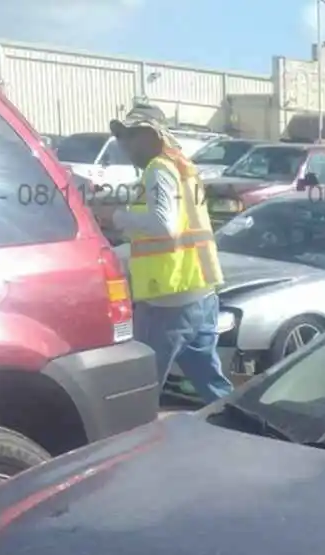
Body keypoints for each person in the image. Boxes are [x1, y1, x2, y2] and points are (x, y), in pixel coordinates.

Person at [105, 108, 232, 401]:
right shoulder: (182, 166)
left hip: (168, 300)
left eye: (131, 136)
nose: (125, 144)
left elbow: (165, 225)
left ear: (152, 136)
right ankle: (248, 434)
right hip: (199, 293)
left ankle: (136, 444)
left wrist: (117, 218)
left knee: (139, 389)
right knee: (213, 385)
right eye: (122, 137)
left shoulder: (158, 169)